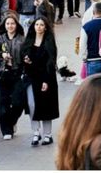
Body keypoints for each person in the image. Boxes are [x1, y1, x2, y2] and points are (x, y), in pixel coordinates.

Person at [22, 16, 58, 146]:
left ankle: (48, 134)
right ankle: (36, 132)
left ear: (46, 27)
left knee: (46, 106)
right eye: (37, 24)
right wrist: (26, 60)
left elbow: (51, 62)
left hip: (46, 77)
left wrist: (46, 80)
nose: (39, 27)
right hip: (31, 77)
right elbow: (24, 56)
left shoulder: (49, 41)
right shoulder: (29, 40)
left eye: (41, 25)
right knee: (32, 104)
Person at [0, 13, 26, 140]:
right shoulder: (0, 38)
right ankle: (6, 130)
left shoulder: (22, 39)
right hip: (3, 73)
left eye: (12, 23)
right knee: (3, 103)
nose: (10, 26)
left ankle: (12, 121)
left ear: (16, 25)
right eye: (8, 23)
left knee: (18, 102)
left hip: (17, 73)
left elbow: (26, 54)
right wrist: (2, 56)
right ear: (5, 25)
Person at [80, 3, 101, 76]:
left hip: (92, 60)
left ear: (93, 12)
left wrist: (84, 57)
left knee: (93, 85)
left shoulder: (86, 26)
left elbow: (83, 44)